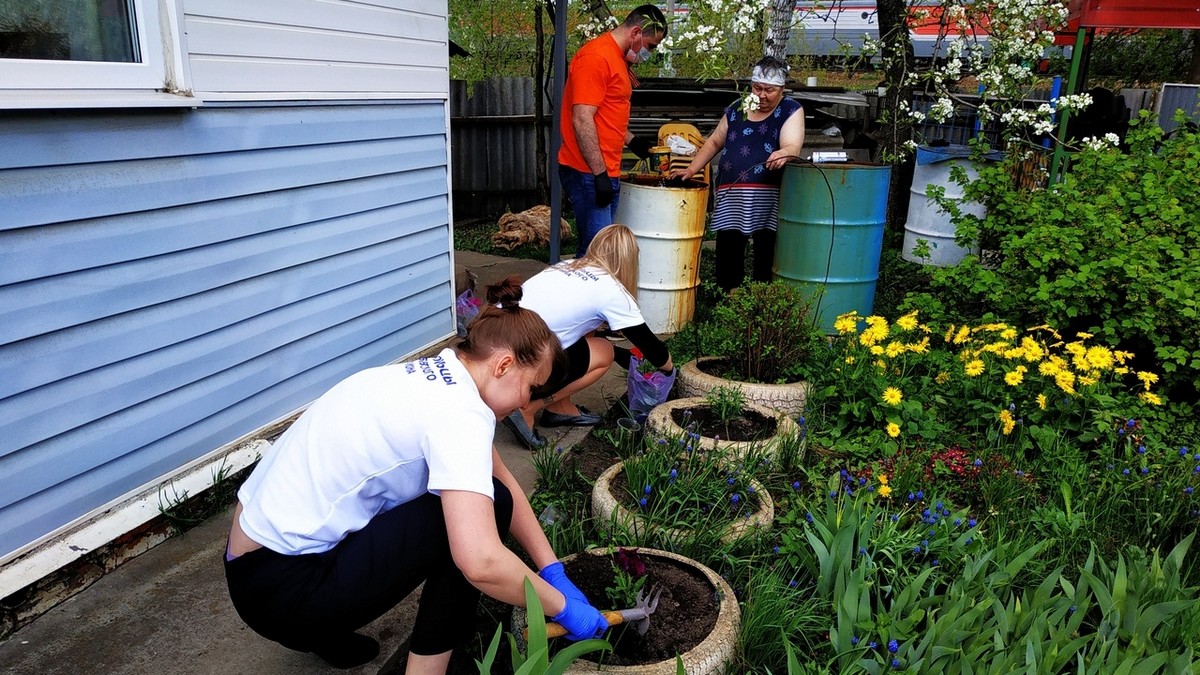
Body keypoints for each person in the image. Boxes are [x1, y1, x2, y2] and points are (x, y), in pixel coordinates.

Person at [224, 278, 609, 673]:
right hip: (283, 592)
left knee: (482, 495)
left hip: (247, 565)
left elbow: (502, 479)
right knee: (471, 523)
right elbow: (481, 562)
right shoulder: (461, 414)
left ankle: (321, 631)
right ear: (504, 365)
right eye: (531, 387)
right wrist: (561, 608)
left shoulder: (431, 376)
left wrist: (552, 570)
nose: (527, 402)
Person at [501, 224, 674, 450]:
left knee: (587, 330)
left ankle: (559, 409)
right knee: (605, 351)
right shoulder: (611, 290)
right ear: (630, 260)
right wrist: (670, 370)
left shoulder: (565, 266)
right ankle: (527, 409)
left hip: (500, 355)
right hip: (523, 368)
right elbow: (652, 348)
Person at [670, 56, 805, 293]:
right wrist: (692, 168)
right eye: (757, 88)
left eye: (769, 90)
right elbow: (714, 142)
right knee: (729, 246)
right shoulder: (738, 108)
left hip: (769, 196)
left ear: (782, 89)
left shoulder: (790, 110)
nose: (762, 95)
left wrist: (784, 152)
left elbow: (792, 145)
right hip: (731, 193)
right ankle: (729, 296)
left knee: (766, 247)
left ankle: (762, 298)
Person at [559, 4, 668, 257]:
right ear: (636, 33)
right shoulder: (596, 57)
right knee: (597, 255)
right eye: (650, 46)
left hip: (606, 169)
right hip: (587, 171)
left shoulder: (617, 59)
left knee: (595, 251)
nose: (649, 53)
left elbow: (605, 114)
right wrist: (599, 175)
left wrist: (632, 141)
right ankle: (582, 296)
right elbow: (582, 119)